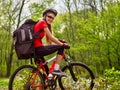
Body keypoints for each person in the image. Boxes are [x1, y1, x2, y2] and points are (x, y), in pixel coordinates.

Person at [34, 8, 69, 76]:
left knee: (47, 72)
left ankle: (45, 84)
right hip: (38, 49)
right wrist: (62, 44)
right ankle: (56, 69)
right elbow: (51, 38)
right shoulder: (42, 22)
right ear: (45, 16)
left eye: (53, 18)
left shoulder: (43, 24)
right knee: (61, 47)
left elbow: (51, 39)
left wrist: (59, 41)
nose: (51, 19)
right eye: (49, 17)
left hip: (37, 49)